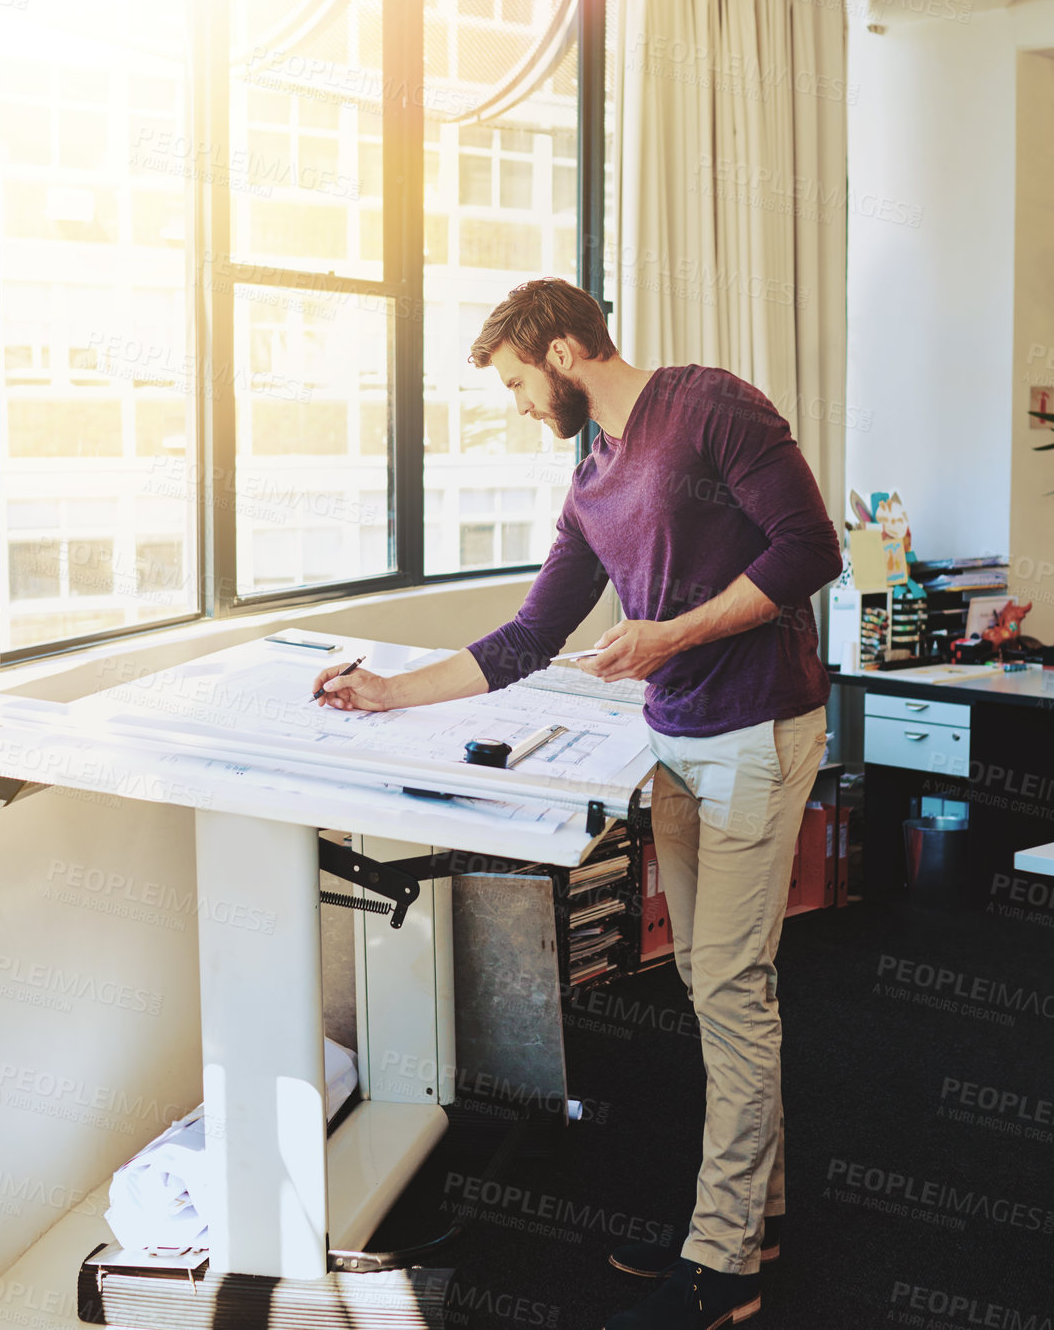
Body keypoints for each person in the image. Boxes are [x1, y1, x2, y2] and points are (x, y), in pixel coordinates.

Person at [313, 278, 842, 1329]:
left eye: (515, 379)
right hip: (679, 736)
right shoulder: (591, 471)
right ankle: (748, 1215)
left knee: (729, 990)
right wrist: (386, 689)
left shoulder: (707, 405)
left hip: (755, 727)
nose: (514, 401)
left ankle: (724, 1263)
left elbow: (808, 551)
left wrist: (667, 634)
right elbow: (525, 635)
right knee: (711, 980)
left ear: (561, 351)